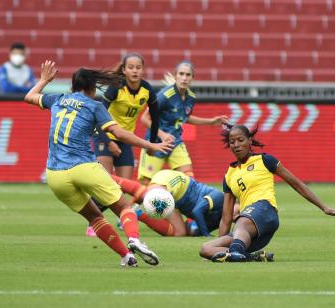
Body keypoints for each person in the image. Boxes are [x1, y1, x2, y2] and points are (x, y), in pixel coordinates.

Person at [24, 60, 174, 267]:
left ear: (73, 86)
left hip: (55, 175)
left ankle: (126, 257)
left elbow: (29, 97)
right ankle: (134, 240)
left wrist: (43, 80)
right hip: (83, 167)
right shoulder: (94, 105)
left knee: (95, 218)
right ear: (92, 88)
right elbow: (119, 133)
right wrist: (150, 144)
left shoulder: (57, 99)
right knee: (123, 206)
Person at [199, 124, 335, 263]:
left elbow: (296, 183)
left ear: (249, 140)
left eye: (240, 140)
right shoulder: (228, 176)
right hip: (248, 232)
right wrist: (220, 252)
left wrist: (324, 207)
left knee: (241, 222)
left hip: (265, 211)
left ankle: (237, 252)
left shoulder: (264, 160)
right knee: (206, 249)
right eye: (232, 142)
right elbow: (226, 218)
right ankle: (251, 256)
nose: (236, 145)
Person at [86, 52, 160, 236]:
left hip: (125, 139)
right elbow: (98, 113)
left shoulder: (147, 90)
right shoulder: (116, 88)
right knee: (104, 182)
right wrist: (107, 142)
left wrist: (152, 143)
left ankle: (122, 219)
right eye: (131, 67)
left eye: (138, 67)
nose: (135, 71)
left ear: (143, 70)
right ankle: (94, 222)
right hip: (104, 135)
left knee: (122, 186)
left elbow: (155, 116)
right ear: (124, 70)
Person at [138, 61, 229, 184]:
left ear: (192, 78)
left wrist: (211, 121)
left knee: (188, 180)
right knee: (146, 185)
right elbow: (144, 118)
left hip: (175, 142)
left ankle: (183, 203)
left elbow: (185, 117)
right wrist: (163, 135)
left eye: (188, 75)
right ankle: (134, 204)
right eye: (181, 74)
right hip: (155, 143)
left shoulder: (191, 97)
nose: (184, 78)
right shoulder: (164, 96)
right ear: (176, 75)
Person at [110, 170, 224, 237]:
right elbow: (197, 211)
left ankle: (137, 212)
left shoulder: (222, 216)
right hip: (175, 188)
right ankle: (105, 177)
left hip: (175, 196)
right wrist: (206, 235)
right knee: (151, 195)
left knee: (181, 233)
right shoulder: (220, 198)